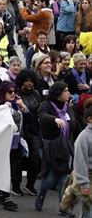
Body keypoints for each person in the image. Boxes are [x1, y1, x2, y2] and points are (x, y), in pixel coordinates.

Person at [36, 81, 80, 215]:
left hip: (65, 146)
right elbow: (42, 117)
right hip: (50, 145)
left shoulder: (68, 107)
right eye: (65, 91)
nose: (68, 93)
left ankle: (63, 207)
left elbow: (74, 123)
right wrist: (55, 119)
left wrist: (68, 122)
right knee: (49, 178)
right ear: (58, 93)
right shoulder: (46, 105)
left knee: (63, 177)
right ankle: (40, 196)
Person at [0, 81, 26, 210]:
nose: (13, 94)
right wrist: (4, 110)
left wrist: (23, 108)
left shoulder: (17, 105)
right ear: (3, 92)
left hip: (15, 142)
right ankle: (6, 197)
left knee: (12, 169)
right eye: (10, 92)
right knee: (4, 169)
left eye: (14, 91)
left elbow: (21, 121)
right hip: (1, 143)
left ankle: (1, 193)